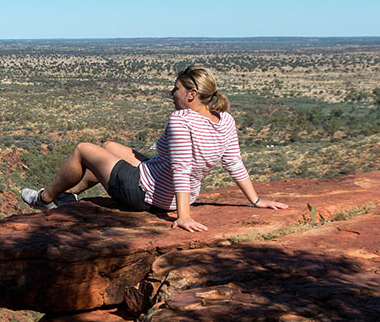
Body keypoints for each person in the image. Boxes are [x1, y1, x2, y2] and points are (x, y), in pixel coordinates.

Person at [19, 65, 288, 231]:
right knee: (109, 147)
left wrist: (183, 216)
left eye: (176, 89)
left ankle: (44, 199)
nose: (172, 93)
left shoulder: (182, 120)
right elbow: (234, 162)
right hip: (171, 187)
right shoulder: (225, 120)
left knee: (83, 149)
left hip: (146, 194)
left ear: (191, 94)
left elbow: (181, 168)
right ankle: (70, 196)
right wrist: (255, 200)